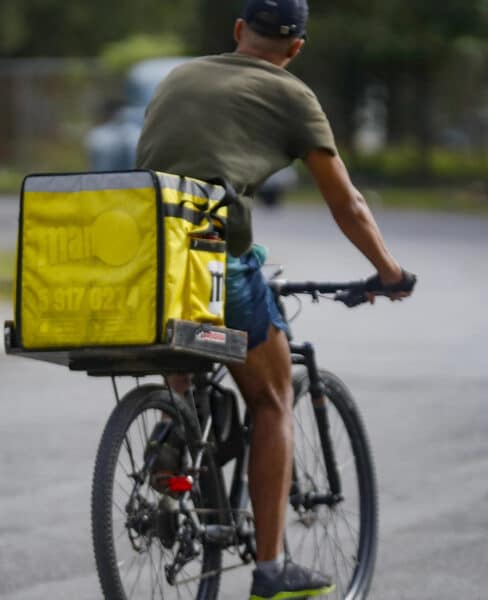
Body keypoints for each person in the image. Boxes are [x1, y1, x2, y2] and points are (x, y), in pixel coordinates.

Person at [134, 1, 413, 598]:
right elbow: (347, 204)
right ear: (297, 48)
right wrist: (388, 270)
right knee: (273, 398)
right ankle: (268, 569)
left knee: (187, 346)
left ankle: (174, 427)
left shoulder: (179, 76)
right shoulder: (291, 94)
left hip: (147, 257)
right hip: (216, 260)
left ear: (238, 31)